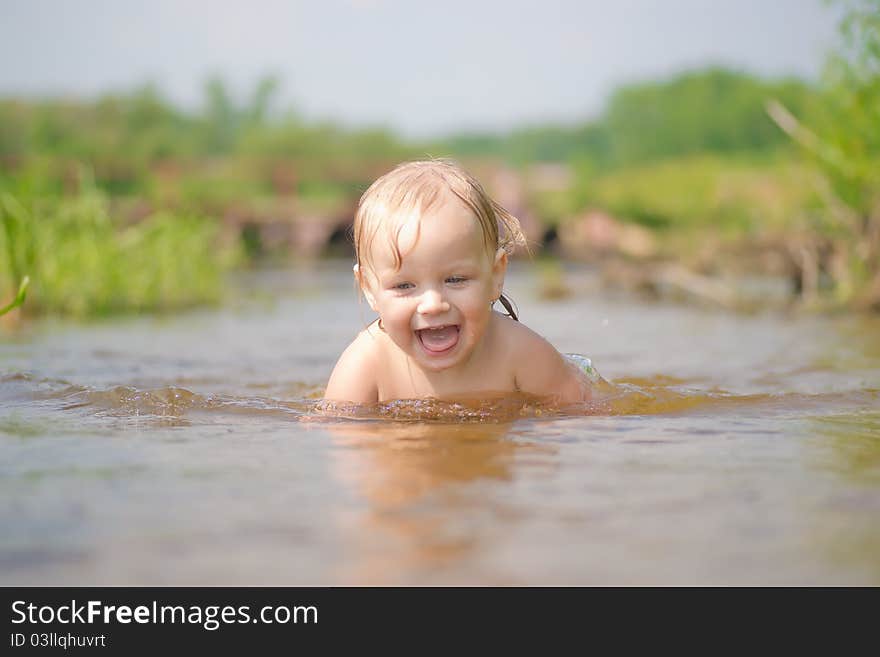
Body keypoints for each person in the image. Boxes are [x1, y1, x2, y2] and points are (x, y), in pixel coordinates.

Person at [323, 159, 591, 405]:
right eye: (404, 286)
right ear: (369, 288)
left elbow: (579, 421)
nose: (432, 305)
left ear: (496, 275)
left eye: (455, 279)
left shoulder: (521, 353)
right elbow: (343, 443)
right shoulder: (366, 365)